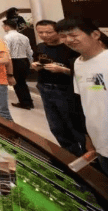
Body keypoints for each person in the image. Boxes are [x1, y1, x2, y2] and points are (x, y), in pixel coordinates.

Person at [57, 18, 108, 186]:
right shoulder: (78, 63)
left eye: (74, 35)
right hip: (101, 141)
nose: (68, 40)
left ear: (95, 34)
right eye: (63, 36)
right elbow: (83, 101)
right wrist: (88, 138)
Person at [32, 20, 85, 156]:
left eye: (49, 32)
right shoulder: (40, 47)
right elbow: (36, 60)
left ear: (58, 32)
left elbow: (81, 72)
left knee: (75, 125)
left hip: (66, 89)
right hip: (45, 87)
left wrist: (62, 70)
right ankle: (71, 155)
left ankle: (89, 156)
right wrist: (35, 66)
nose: (44, 35)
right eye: (40, 32)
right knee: (56, 126)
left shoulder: (70, 48)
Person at [2, 19, 34, 109]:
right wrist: (31, 62)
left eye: (3, 26)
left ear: (7, 26)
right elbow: (30, 51)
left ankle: (24, 103)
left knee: (16, 83)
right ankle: (29, 102)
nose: (3, 28)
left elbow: (7, 51)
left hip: (14, 61)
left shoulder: (7, 37)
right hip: (24, 60)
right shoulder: (24, 36)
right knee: (23, 82)